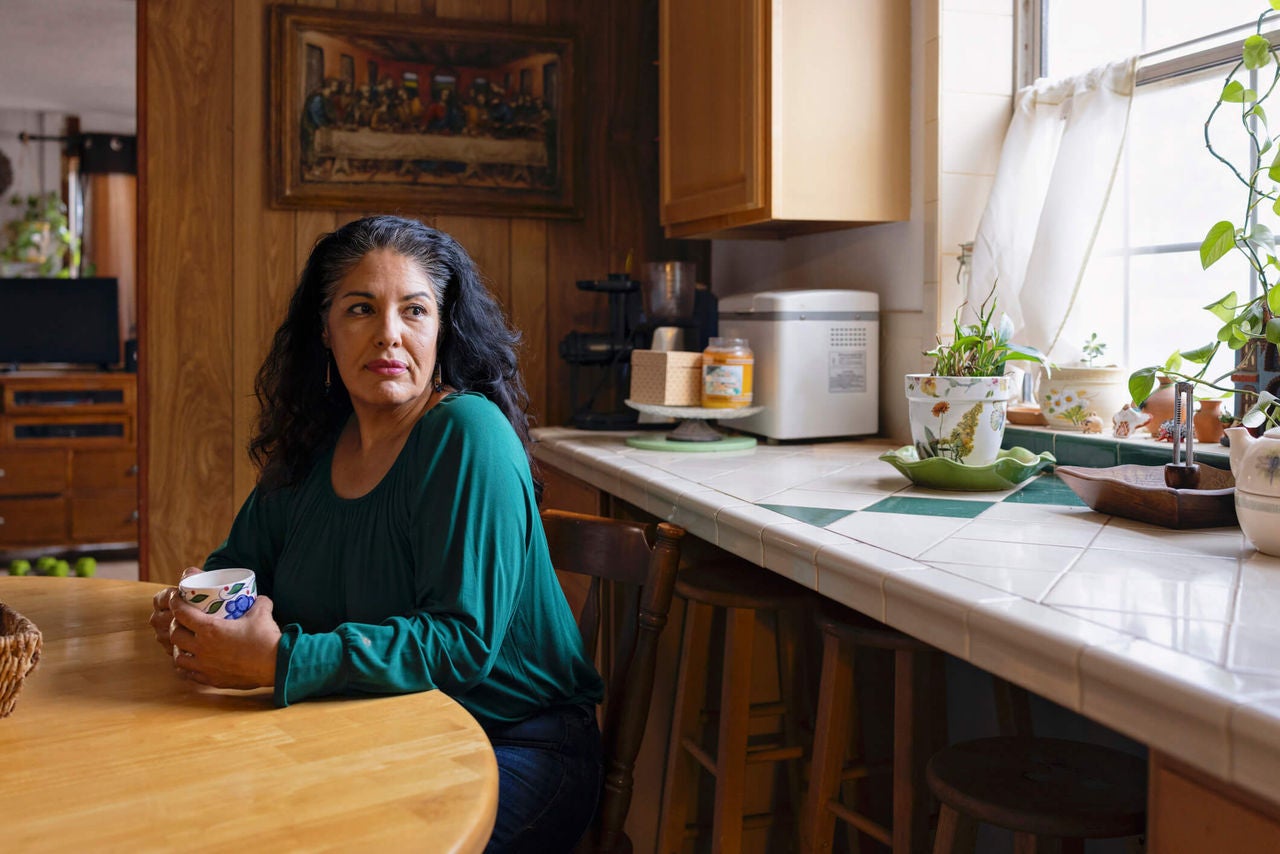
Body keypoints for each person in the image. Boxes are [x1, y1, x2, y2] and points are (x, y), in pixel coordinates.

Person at [148, 215, 605, 853]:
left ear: (441, 329)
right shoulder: (312, 445)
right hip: (372, 732)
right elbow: (239, 564)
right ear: (326, 329)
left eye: (414, 310)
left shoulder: (467, 434)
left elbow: (460, 643)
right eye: (362, 308)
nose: (389, 334)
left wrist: (280, 660)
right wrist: (199, 613)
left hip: (511, 742)